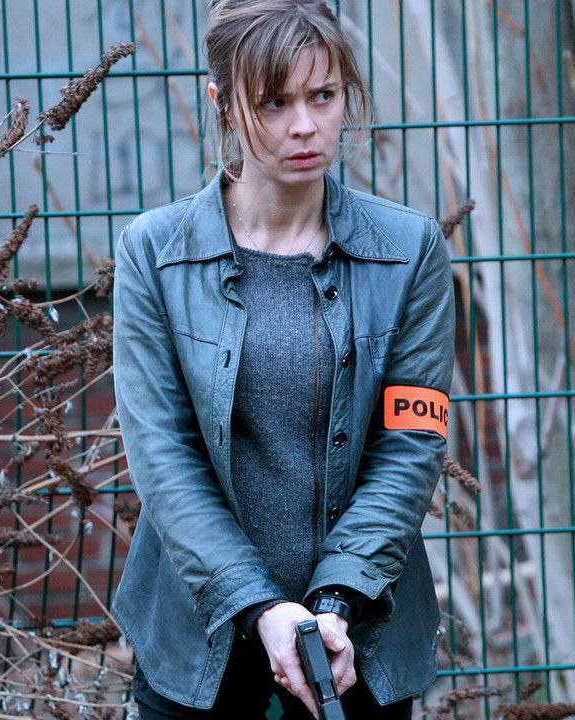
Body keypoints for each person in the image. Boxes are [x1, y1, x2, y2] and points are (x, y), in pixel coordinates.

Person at [109, 0, 454, 718]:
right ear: (223, 104)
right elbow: (162, 454)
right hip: (196, 641)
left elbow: (411, 443)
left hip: (359, 642)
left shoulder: (408, 251)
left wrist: (336, 602)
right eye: (274, 103)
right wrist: (258, 606)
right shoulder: (156, 253)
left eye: (322, 96)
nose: (304, 126)